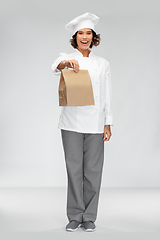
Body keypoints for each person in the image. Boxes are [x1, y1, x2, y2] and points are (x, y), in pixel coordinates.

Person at [51, 12, 113, 232]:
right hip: (71, 124)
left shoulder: (103, 63)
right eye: (80, 33)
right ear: (75, 37)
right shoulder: (66, 58)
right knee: (74, 170)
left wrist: (108, 122)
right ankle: (75, 215)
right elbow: (55, 65)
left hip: (96, 124)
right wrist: (66, 63)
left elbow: (107, 94)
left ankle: (90, 217)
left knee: (93, 171)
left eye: (88, 33)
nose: (84, 37)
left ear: (93, 37)